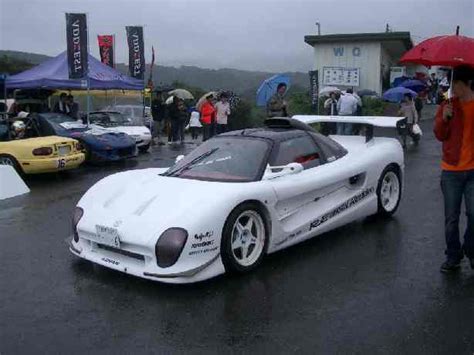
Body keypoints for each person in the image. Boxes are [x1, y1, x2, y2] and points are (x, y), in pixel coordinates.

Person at [433, 65, 474, 273]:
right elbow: (439, 134)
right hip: (451, 170)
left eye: (456, 84)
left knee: (473, 214)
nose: (452, 89)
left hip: (473, 171)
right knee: (451, 218)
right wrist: (445, 118)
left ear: (466, 84)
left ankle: (470, 248)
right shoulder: (448, 104)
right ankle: (453, 255)